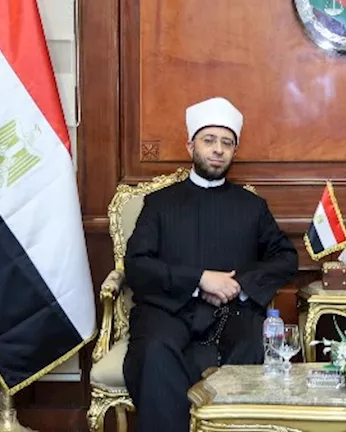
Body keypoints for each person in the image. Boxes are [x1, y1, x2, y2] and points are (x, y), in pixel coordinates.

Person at [122, 97, 298, 431]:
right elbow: (137, 264)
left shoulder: (252, 206)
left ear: (234, 151)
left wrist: (238, 285)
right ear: (191, 146)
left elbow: (286, 257)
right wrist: (199, 279)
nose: (218, 149)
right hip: (168, 308)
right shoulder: (159, 204)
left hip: (233, 312)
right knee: (156, 351)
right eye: (209, 140)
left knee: (251, 347)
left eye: (226, 143)